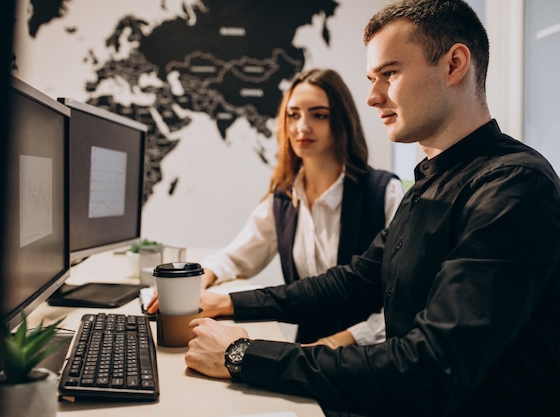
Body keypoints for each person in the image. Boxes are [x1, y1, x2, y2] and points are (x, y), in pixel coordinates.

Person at [184, 1, 560, 416]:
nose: (371, 96)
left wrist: (243, 355)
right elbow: (353, 282)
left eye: (389, 74)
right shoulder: (429, 182)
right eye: (371, 78)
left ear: (454, 64)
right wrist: (230, 304)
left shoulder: (514, 185)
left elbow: (431, 367)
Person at [147, 68, 404, 347]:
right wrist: (198, 281)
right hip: (305, 351)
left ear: (341, 121)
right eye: (293, 115)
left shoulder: (383, 192)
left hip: (366, 355)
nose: (301, 127)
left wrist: (334, 343)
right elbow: (236, 257)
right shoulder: (284, 198)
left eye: (318, 115)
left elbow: (401, 304)